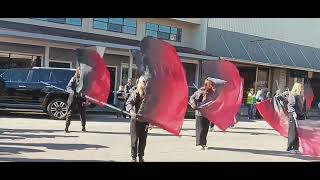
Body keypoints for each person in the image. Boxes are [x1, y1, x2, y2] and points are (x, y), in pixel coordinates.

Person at [126, 75, 151, 162]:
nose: (145, 84)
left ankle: (141, 157)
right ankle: (133, 157)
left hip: (145, 121)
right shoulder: (135, 93)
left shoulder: (149, 95)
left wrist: (151, 122)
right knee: (134, 140)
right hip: (135, 121)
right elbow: (129, 103)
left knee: (143, 141)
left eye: (146, 82)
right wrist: (131, 111)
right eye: (143, 82)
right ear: (140, 83)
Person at [189, 78, 219, 150]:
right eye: (210, 84)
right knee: (200, 129)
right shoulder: (200, 91)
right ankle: (198, 144)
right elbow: (192, 98)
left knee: (205, 129)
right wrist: (193, 104)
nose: (211, 85)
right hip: (200, 113)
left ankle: (203, 143)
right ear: (206, 84)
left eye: (212, 84)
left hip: (208, 113)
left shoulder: (212, 93)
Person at [64, 67, 87, 133]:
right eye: (80, 71)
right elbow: (68, 87)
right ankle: (66, 127)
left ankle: (83, 127)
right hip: (73, 97)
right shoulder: (73, 78)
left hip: (81, 97)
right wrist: (72, 91)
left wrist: (85, 94)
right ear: (78, 71)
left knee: (82, 112)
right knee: (70, 112)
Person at [286, 82, 306, 154]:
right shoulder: (293, 95)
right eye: (301, 87)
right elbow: (290, 105)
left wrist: (303, 114)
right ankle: (290, 148)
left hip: (299, 115)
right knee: (293, 131)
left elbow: (302, 107)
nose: (302, 88)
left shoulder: (301, 96)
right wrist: (293, 113)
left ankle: (296, 148)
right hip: (293, 115)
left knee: (298, 132)